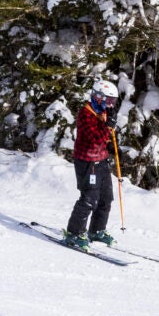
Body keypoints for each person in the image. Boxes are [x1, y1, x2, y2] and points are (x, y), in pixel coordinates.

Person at [61, 78, 121, 250]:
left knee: (106, 198)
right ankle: (74, 233)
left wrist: (109, 141)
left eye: (113, 101)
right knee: (89, 199)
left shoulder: (103, 113)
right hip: (87, 162)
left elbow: (104, 137)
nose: (110, 105)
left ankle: (96, 230)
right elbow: (94, 137)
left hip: (101, 160)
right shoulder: (86, 114)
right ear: (98, 97)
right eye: (108, 100)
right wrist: (107, 127)